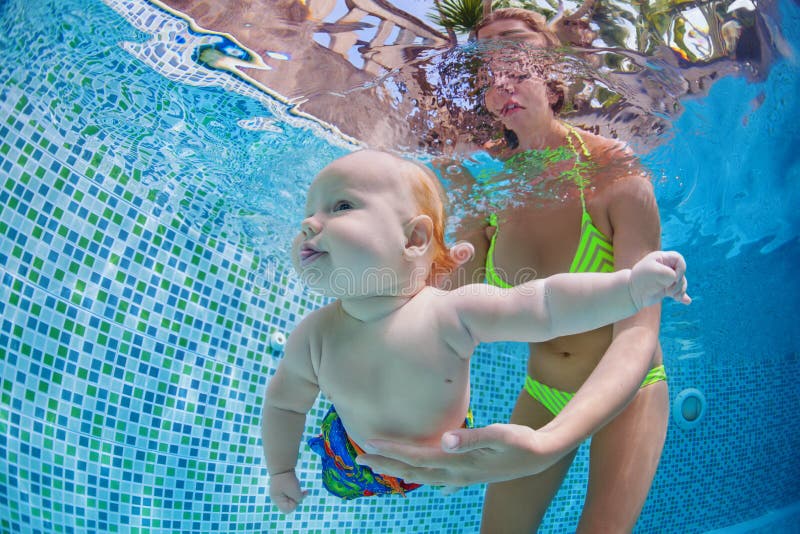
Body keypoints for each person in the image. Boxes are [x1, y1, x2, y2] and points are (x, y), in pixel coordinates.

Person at [355, 8, 680, 533]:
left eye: (515, 58)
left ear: (554, 74)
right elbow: (441, 310)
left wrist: (546, 444)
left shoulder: (614, 172)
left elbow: (637, 335)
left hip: (629, 391)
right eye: (486, 70)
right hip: (542, 392)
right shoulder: (488, 187)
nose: (501, 78)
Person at [261, 149, 690, 514]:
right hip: (351, 456)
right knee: (342, 479)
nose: (309, 224)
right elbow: (284, 404)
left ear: (414, 239)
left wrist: (630, 287)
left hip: (447, 452)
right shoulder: (313, 336)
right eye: (308, 212)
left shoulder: (451, 312)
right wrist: (281, 468)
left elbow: (545, 304)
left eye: (340, 207)